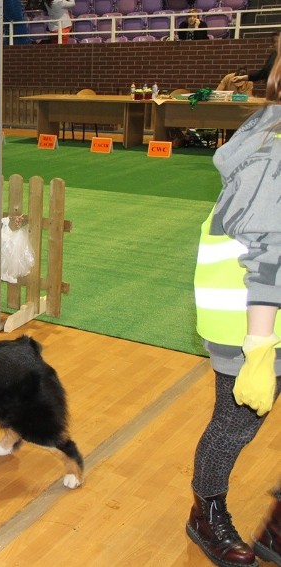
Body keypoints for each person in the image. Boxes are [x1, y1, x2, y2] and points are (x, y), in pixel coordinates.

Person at [188, 31, 281, 567]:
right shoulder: (272, 151)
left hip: (263, 315)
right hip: (250, 322)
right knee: (237, 422)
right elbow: (268, 253)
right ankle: (207, 509)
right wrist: (261, 349)